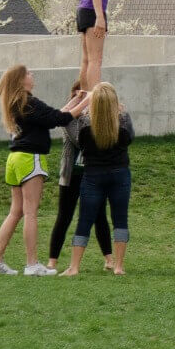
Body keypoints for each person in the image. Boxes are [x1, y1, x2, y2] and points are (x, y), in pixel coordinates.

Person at [0, 65, 90, 275]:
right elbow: (60, 119)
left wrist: (76, 100)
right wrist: (90, 99)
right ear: (20, 80)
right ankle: (32, 264)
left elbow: (53, 116)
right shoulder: (29, 102)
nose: (32, 75)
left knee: (15, 212)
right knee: (30, 212)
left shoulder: (19, 103)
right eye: (28, 73)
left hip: (14, 159)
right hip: (30, 158)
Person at [59, 83, 134, 277]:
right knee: (120, 219)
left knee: (85, 219)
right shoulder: (123, 119)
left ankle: (74, 267)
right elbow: (130, 138)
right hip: (120, 174)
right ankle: (118, 266)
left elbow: (66, 120)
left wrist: (79, 100)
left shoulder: (84, 123)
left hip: (92, 175)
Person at [46, 83, 112, 273]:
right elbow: (77, 135)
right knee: (64, 217)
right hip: (71, 175)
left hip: (93, 175)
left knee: (99, 217)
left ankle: (109, 259)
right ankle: (52, 261)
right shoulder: (71, 121)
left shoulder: (98, 120)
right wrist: (79, 99)